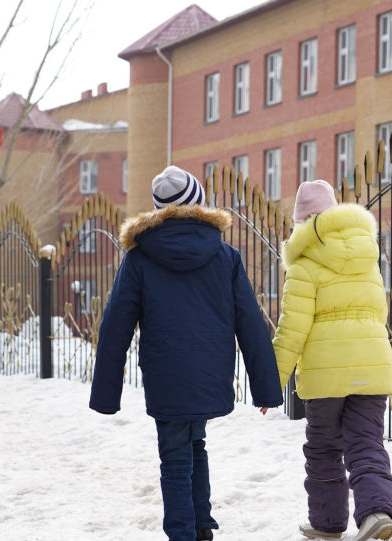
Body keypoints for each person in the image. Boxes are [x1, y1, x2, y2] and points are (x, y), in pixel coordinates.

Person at [90, 165, 284, 541]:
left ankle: (182, 532)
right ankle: (201, 525)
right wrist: (266, 388)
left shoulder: (139, 258)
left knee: (175, 456)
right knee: (195, 443)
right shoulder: (225, 255)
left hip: (166, 374)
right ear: (197, 203)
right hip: (211, 371)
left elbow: (115, 326)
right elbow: (250, 321)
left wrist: (105, 394)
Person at [268, 179, 392, 541]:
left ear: (301, 223)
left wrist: (271, 381)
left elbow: (292, 329)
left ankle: (327, 523)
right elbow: (380, 313)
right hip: (372, 369)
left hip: (325, 378)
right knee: (367, 441)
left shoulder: (304, 265)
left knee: (324, 447)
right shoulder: (367, 256)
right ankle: (376, 513)